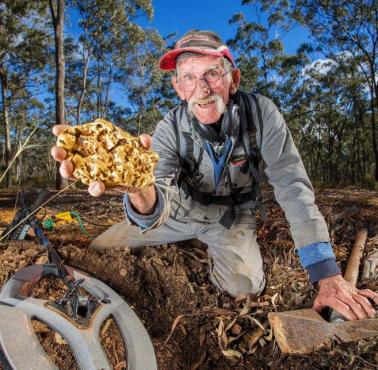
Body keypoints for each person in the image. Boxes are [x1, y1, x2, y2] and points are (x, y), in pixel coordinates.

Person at [51, 30, 378, 320]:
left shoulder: (261, 114)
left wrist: (326, 274)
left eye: (212, 74)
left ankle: (216, 248)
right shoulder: (169, 128)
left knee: (245, 287)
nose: (202, 88)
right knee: (98, 250)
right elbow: (160, 188)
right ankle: (186, 236)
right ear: (178, 87)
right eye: (189, 78)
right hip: (179, 210)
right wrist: (139, 189)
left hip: (232, 216)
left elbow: (292, 185)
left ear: (233, 80)